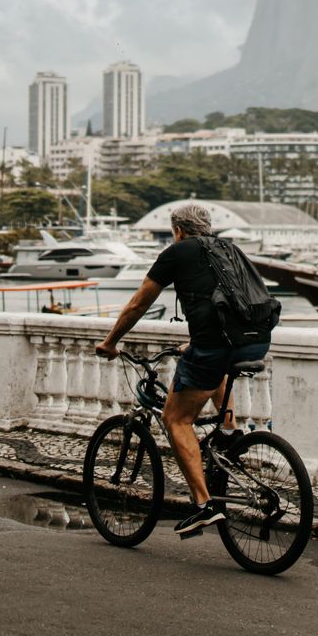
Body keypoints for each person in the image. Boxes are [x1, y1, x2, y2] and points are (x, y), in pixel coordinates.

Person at [95, 204, 269, 538]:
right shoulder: (227, 248)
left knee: (176, 418)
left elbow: (138, 304)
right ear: (207, 227)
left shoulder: (176, 252)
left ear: (178, 231)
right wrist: (197, 341)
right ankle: (229, 433)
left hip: (216, 345)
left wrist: (110, 342)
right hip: (254, 341)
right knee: (213, 366)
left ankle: (205, 505)